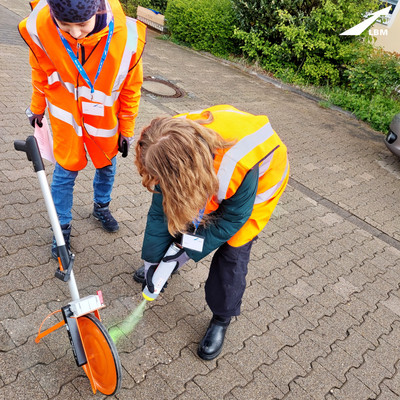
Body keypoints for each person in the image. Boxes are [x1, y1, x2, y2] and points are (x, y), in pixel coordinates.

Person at [133, 105, 289, 360]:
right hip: (206, 171)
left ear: (183, 169)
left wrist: (184, 253)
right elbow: (161, 212)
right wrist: (152, 261)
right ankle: (164, 266)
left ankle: (222, 316)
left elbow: (232, 218)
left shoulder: (237, 166)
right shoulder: (165, 139)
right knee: (180, 212)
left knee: (233, 253)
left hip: (258, 183)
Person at [19, 0, 146, 258]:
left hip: (104, 122)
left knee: (107, 166)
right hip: (67, 118)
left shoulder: (126, 37)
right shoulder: (41, 24)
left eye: (82, 25)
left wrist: (127, 129)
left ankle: (101, 206)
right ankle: (61, 229)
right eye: (64, 25)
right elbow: (40, 71)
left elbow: (132, 89)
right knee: (64, 174)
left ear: (98, 9)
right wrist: (37, 107)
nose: (75, 34)